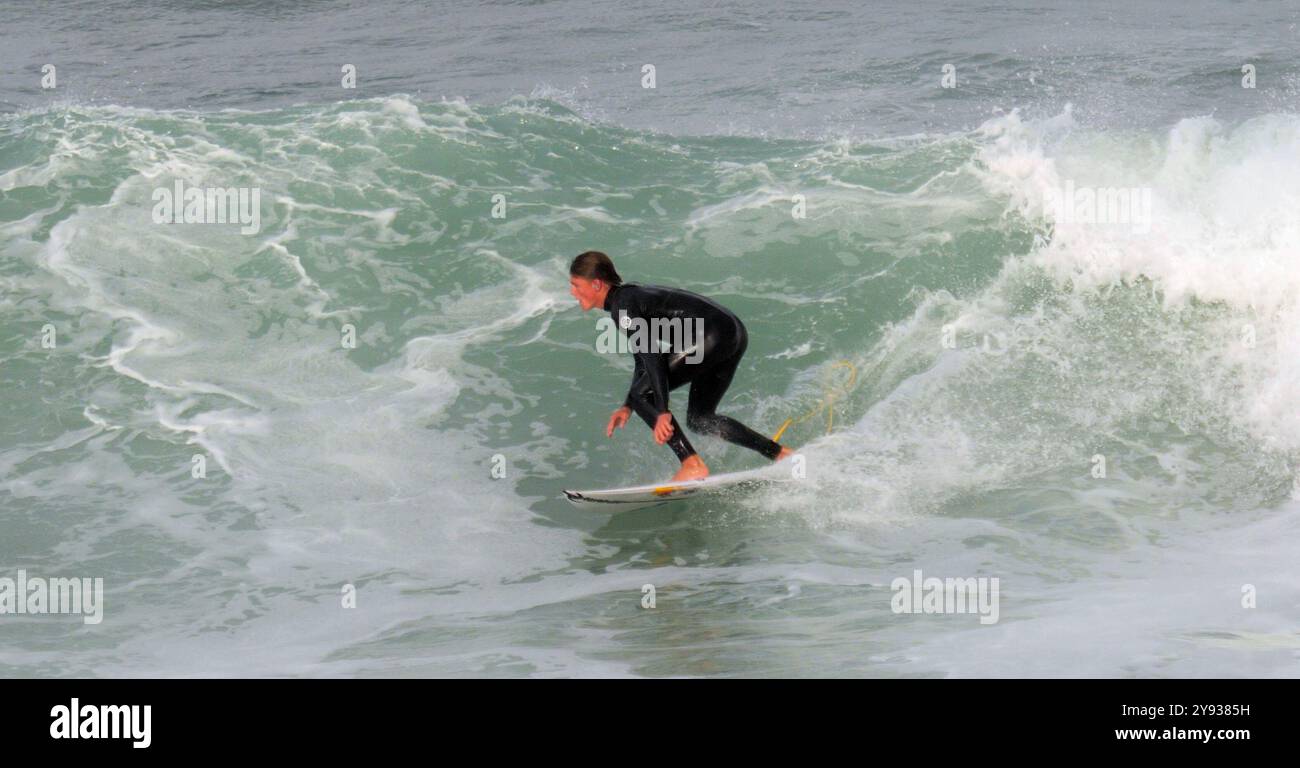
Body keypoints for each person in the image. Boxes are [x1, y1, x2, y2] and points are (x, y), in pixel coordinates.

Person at [568, 250, 793, 481]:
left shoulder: (623, 307)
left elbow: (652, 355)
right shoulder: (629, 299)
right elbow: (643, 359)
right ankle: (780, 453)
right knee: (699, 418)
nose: (572, 292)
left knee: (643, 394)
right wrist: (628, 405)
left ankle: (691, 463)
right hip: (730, 333)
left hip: (709, 337)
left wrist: (662, 410)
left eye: (576, 285)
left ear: (596, 284)